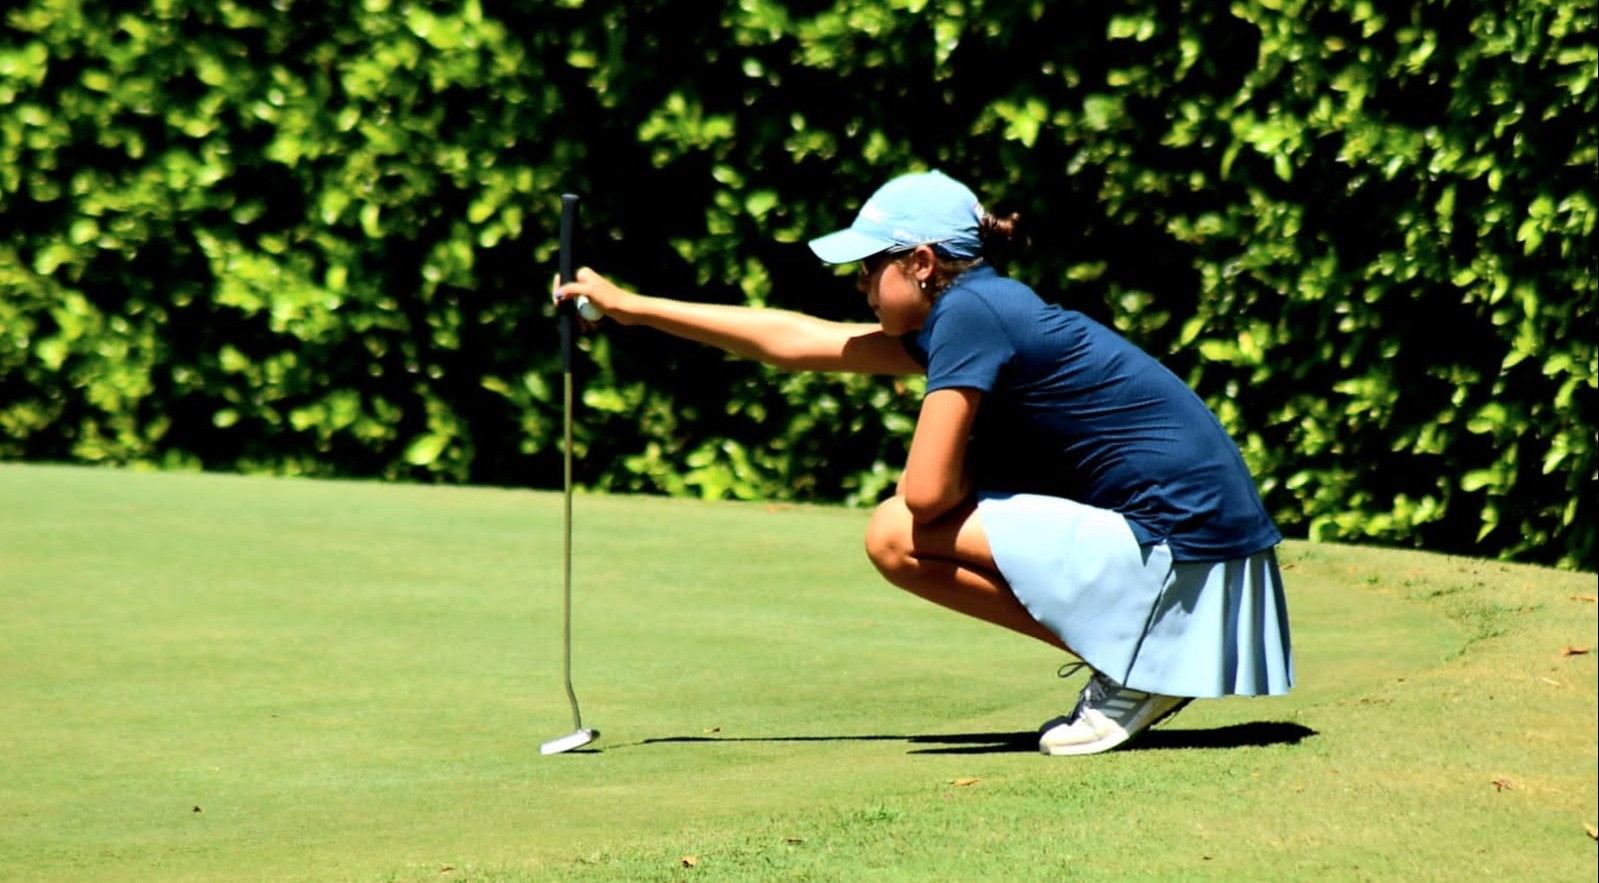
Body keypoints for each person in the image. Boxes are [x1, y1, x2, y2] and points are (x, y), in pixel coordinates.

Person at [555, 169, 1293, 756]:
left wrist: (973, 462)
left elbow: (927, 495)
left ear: (921, 262)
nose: (859, 283)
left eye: (868, 266)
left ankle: (1135, 667)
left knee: (894, 532)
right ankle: (1138, 661)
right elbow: (795, 340)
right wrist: (631, 307)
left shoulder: (969, 316)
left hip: (1183, 550)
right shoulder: (981, 305)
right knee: (913, 520)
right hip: (1202, 548)